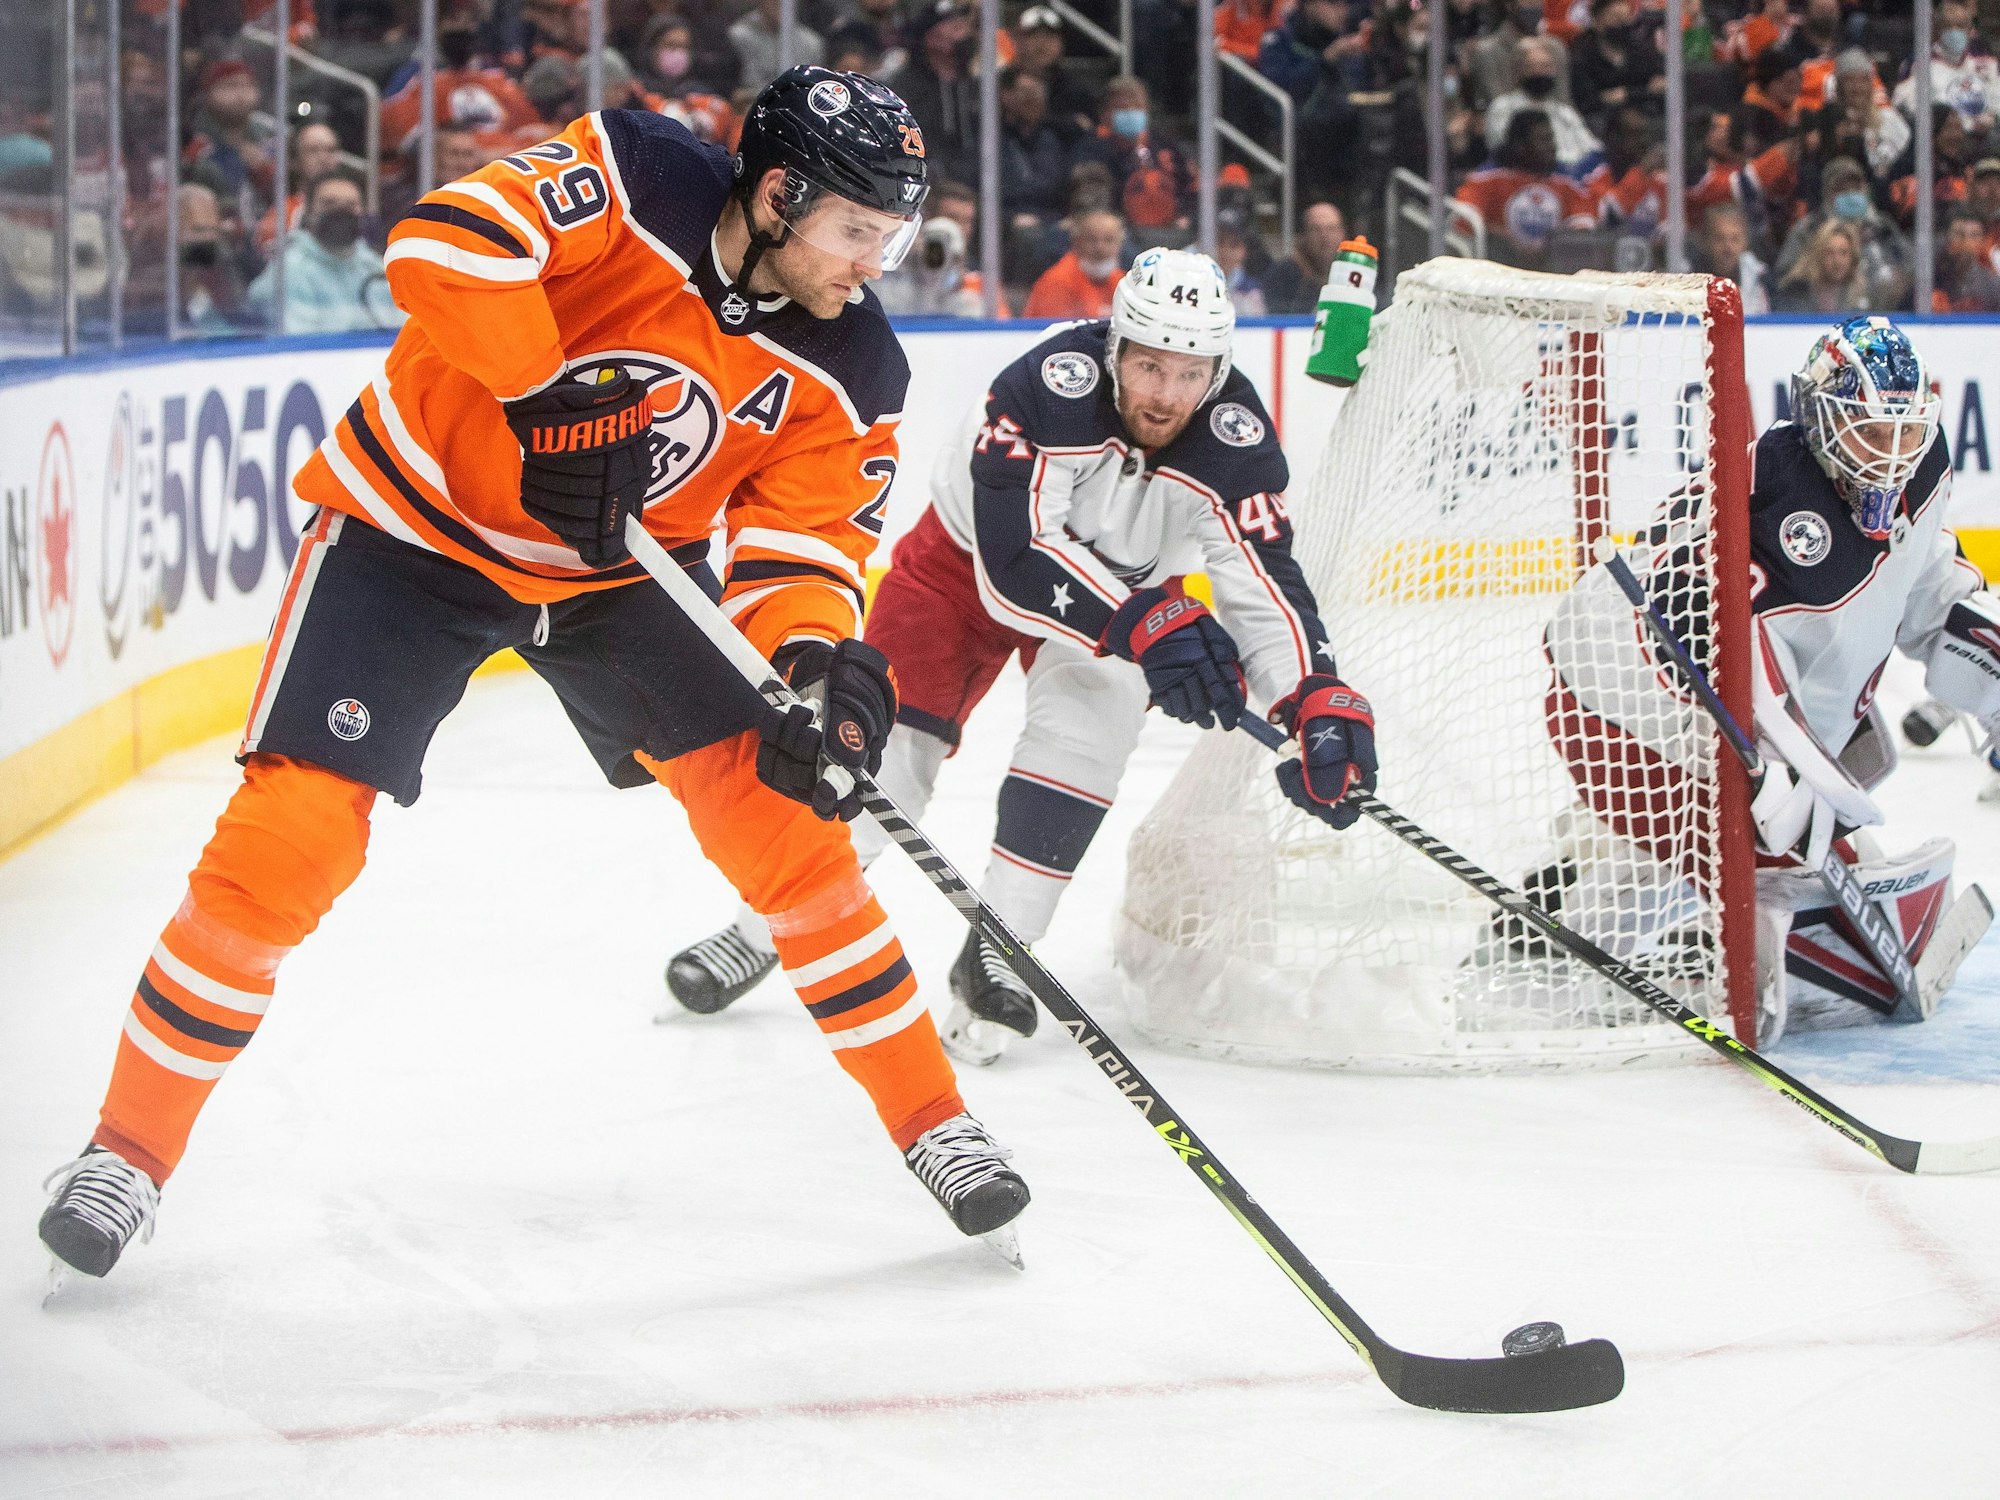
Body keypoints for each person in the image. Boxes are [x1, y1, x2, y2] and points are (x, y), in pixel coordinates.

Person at [36, 67, 1033, 1291]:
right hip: (414, 536)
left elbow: (803, 545)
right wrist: (540, 393)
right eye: (857, 231)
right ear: (779, 194)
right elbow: (442, 244)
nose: (873, 265)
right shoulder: (635, 172)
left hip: (626, 576)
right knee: (288, 840)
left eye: (890, 237)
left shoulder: (856, 366)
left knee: (791, 837)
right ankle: (125, 1153)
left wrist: (811, 667)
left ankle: (935, 1124)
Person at [663, 249, 1377, 1065]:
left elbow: (1263, 582)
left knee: (1085, 748)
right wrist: (1148, 621)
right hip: (961, 571)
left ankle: (1001, 947)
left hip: (1128, 603)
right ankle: (765, 926)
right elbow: (1017, 561)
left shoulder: (1235, 439)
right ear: (1116, 346)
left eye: (1190, 373)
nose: (1166, 395)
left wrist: (1312, 694)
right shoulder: (1045, 385)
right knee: (877, 758)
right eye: (1149, 366)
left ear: (1216, 370)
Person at [1537, 318, 1992, 1045]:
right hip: (1618, 707)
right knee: (1760, 858)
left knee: (1788, 845)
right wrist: (1776, 762)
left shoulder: (1921, 465)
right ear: (1821, 421)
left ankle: (1550, 900)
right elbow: (1707, 634)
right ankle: (1566, 962)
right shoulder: (1777, 505)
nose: (1893, 456)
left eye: (1907, 431)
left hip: (1713, 718)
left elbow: (1917, 568)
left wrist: (1982, 648)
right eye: (1872, 433)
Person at [246, 167, 404, 332]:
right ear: (308, 212)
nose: (341, 211)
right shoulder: (287, 273)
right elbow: (299, 340)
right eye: (329, 203)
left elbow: (404, 325)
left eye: (351, 205)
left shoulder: (374, 267)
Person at [1455, 109, 1596, 265]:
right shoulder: (1486, 178)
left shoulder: (1566, 180)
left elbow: (1585, 223)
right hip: (1497, 269)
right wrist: (1504, 239)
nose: (1552, 147)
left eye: (1551, 139)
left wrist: (1554, 244)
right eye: (1544, 140)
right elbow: (1464, 220)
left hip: (1552, 271)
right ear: (1520, 146)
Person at [1775, 157, 1910, 312]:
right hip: (1823, 314)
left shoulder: (1883, 227)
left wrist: (1899, 279)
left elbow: (1912, 266)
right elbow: (1786, 279)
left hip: (1884, 314)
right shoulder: (1808, 229)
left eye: (1856, 188)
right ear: (1828, 194)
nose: (1851, 195)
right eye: (1842, 190)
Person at [1485, 37, 1601, 176]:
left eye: (1546, 66)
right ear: (1519, 71)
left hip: (1574, 176)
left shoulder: (1564, 111)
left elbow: (1591, 147)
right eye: (1533, 66)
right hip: (1529, 176)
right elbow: (1504, 150)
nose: (1540, 72)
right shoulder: (1503, 107)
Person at [254, 122, 343, 256]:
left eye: (331, 150)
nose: (324, 158)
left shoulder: (355, 208)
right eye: (313, 150)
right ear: (294, 161)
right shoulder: (283, 213)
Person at [1023, 208, 1126, 317]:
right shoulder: (1057, 281)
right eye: (1092, 239)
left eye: (1109, 240)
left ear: (1120, 243)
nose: (1100, 247)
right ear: (1076, 242)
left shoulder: (1123, 282)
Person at [1261, 199, 1344, 315]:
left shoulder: (1353, 272)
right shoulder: (1282, 275)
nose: (1324, 236)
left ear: (1342, 233)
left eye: (1331, 229)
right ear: (1304, 235)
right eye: (1316, 229)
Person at [1773, 217, 1867, 313]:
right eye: (1829, 252)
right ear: (1818, 256)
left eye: (1843, 252)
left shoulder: (1863, 293)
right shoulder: (1796, 293)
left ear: (1853, 257)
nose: (1837, 261)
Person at [1695, 201, 1769, 314]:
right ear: (1706, 241)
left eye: (1735, 239)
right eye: (1720, 238)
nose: (1728, 247)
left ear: (1745, 242)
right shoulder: (1690, 280)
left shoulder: (1761, 278)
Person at [1933, 208, 2000, 312]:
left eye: (1974, 235)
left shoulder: (1993, 285)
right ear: (1946, 238)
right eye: (1959, 233)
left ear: (1983, 241)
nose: (1966, 241)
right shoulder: (1928, 279)